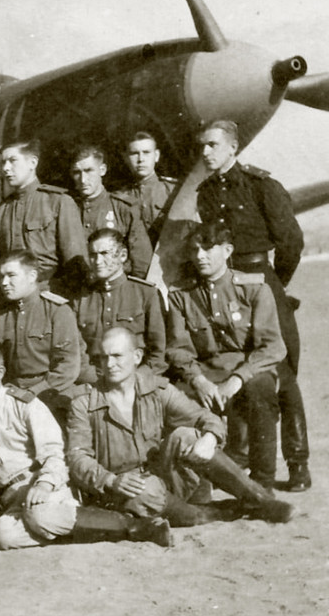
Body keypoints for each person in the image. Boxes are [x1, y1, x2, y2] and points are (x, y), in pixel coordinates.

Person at [0, 344, 172, 549]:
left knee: (40, 516)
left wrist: (44, 483)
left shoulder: (25, 404)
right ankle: (88, 523)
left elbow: (54, 452)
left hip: (45, 484)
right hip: (10, 497)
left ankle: (137, 527)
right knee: (3, 535)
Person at [67, 327, 292, 526]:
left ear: (137, 356)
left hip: (161, 478)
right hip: (120, 491)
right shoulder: (84, 402)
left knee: (186, 435)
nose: (109, 364)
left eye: (117, 356)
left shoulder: (157, 390)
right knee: (147, 494)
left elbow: (206, 418)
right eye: (103, 357)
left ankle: (261, 501)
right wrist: (111, 480)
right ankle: (206, 514)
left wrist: (209, 438)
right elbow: (78, 458)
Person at [196, 119, 310, 492]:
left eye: (213, 145)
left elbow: (290, 241)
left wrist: (274, 285)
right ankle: (247, 460)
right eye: (203, 146)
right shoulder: (205, 193)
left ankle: (297, 465)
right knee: (241, 371)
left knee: (284, 376)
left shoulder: (263, 186)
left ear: (233, 147)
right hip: (230, 287)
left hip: (264, 281)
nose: (205, 152)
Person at [166, 221, 286, 493]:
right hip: (204, 373)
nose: (200, 256)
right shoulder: (180, 296)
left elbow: (272, 346)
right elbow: (177, 348)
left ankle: (262, 482)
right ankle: (200, 482)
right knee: (177, 399)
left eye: (208, 248)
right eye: (195, 249)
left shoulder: (254, 289)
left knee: (262, 390)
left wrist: (237, 379)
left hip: (246, 371)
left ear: (228, 250)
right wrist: (198, 381)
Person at [0, 250, 82, 417]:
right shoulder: (0, 316)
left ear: (32, 276)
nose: (4, 282)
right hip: (13, 394)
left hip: (52, 394)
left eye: (11, 275)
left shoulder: (57, 311)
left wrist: (35, 391)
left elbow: (68, 367)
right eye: (1, 277)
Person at [0, 140, 87, 294]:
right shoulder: (1, 211)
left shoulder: (58, 202)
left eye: (13, 161)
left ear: (32, 163)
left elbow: (76, 264)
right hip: (11, 297)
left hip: (50, 294)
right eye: (3, 163)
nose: (5, 168)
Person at [72, 228, 165, 385]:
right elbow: (76, 353)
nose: (98, 261)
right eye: (93, 255)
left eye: (104, 253)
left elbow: (158, 351)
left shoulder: (146, 294)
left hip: (138, 381)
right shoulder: (80, 299)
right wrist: (95, 381)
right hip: (93, 382)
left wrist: (135, 380)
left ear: (123, 255)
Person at [68, 144, 152, 277]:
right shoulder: (67, 208)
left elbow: (141, 263)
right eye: (76, 173)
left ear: (102, 170)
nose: (83, 179)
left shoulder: (123, 208)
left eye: (89, 170)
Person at [124, 131, 176, 245]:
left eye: (146, 152)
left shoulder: (173, 191)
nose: (140, 159)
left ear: (156, 156)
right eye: (134, 153)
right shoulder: (121, 196)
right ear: (126, 158)